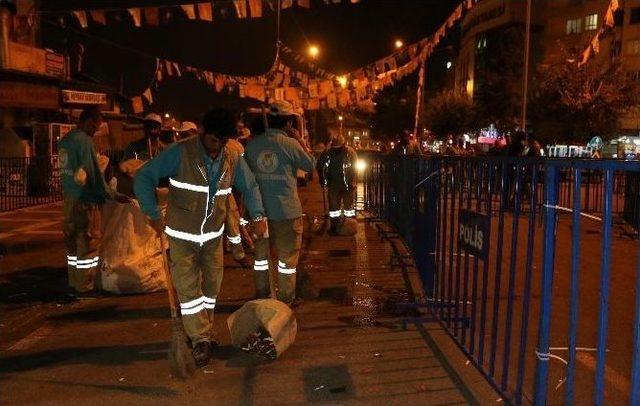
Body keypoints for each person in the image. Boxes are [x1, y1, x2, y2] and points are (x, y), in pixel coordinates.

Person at [134, 109, 267, 368]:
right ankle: (200, 338)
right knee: (188, 289)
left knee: (211, 289)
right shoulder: (180, 152)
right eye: (213, 140)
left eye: (223, 141)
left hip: (212, 236)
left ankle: (202, 331)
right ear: (203, 133)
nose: (216, 147)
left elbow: (249, 186)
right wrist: (151, 213)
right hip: (182, 235)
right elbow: (143, 177)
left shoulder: (231, 156)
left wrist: (258, 215)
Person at [244, 101, 316, 305]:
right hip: (286, 212)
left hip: (260, 214)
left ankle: (263, 296)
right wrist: (299, 141)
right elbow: (310, 165)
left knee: (261, 258)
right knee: (287, 260)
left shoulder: (252, 145)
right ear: (288, 123)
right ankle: (285, 300)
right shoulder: (290, 144)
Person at [58, 106, 130, 293]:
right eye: (96, 126)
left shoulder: (66, 140)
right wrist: (113, 195)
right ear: (89, 121)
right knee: (88, 243)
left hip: (69, 199)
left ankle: (74, 282)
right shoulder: (84, 141)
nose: (96, 130)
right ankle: (86, 285)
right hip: (85, 201)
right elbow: (94, 174)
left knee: (72, 244)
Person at [317, 132, 358, 234]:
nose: (337, 150)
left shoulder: (350, 153)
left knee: (349, 208)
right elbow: (319, 166)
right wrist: (322, 179)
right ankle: (335, 227)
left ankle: (349, 226)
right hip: (333, 184)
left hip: (348, 185)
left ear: (344, 145)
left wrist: (354, 180)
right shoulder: (327, 153)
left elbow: (355, 167)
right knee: (334, 210)